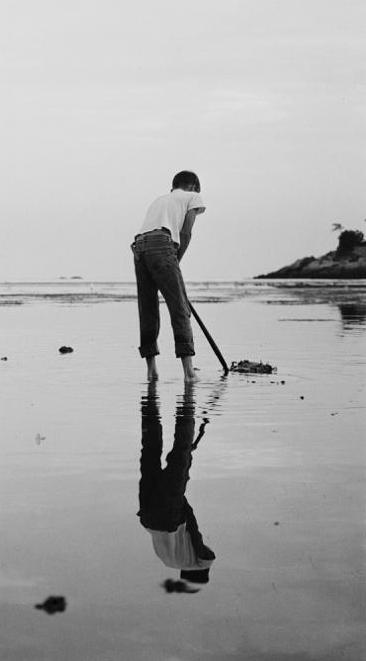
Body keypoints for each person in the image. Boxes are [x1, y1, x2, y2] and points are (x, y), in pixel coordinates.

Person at [138, 383, 215, 587]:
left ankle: (187, 405)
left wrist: (185, 465)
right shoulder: (169, 560)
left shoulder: (197, 562)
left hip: (169, 516)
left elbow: (195, 531)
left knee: (181, 454)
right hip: (147, 517)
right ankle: (150, 406)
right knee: (150, 452)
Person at [131, 171, 205, 382]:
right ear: (192, 186)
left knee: (148, 308)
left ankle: (151, 370)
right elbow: (186, 233)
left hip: (139, 247)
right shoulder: (192, 196)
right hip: (162, 245)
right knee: (180, 307)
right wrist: (175, 262)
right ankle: (189, 373)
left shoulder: (159, 200)